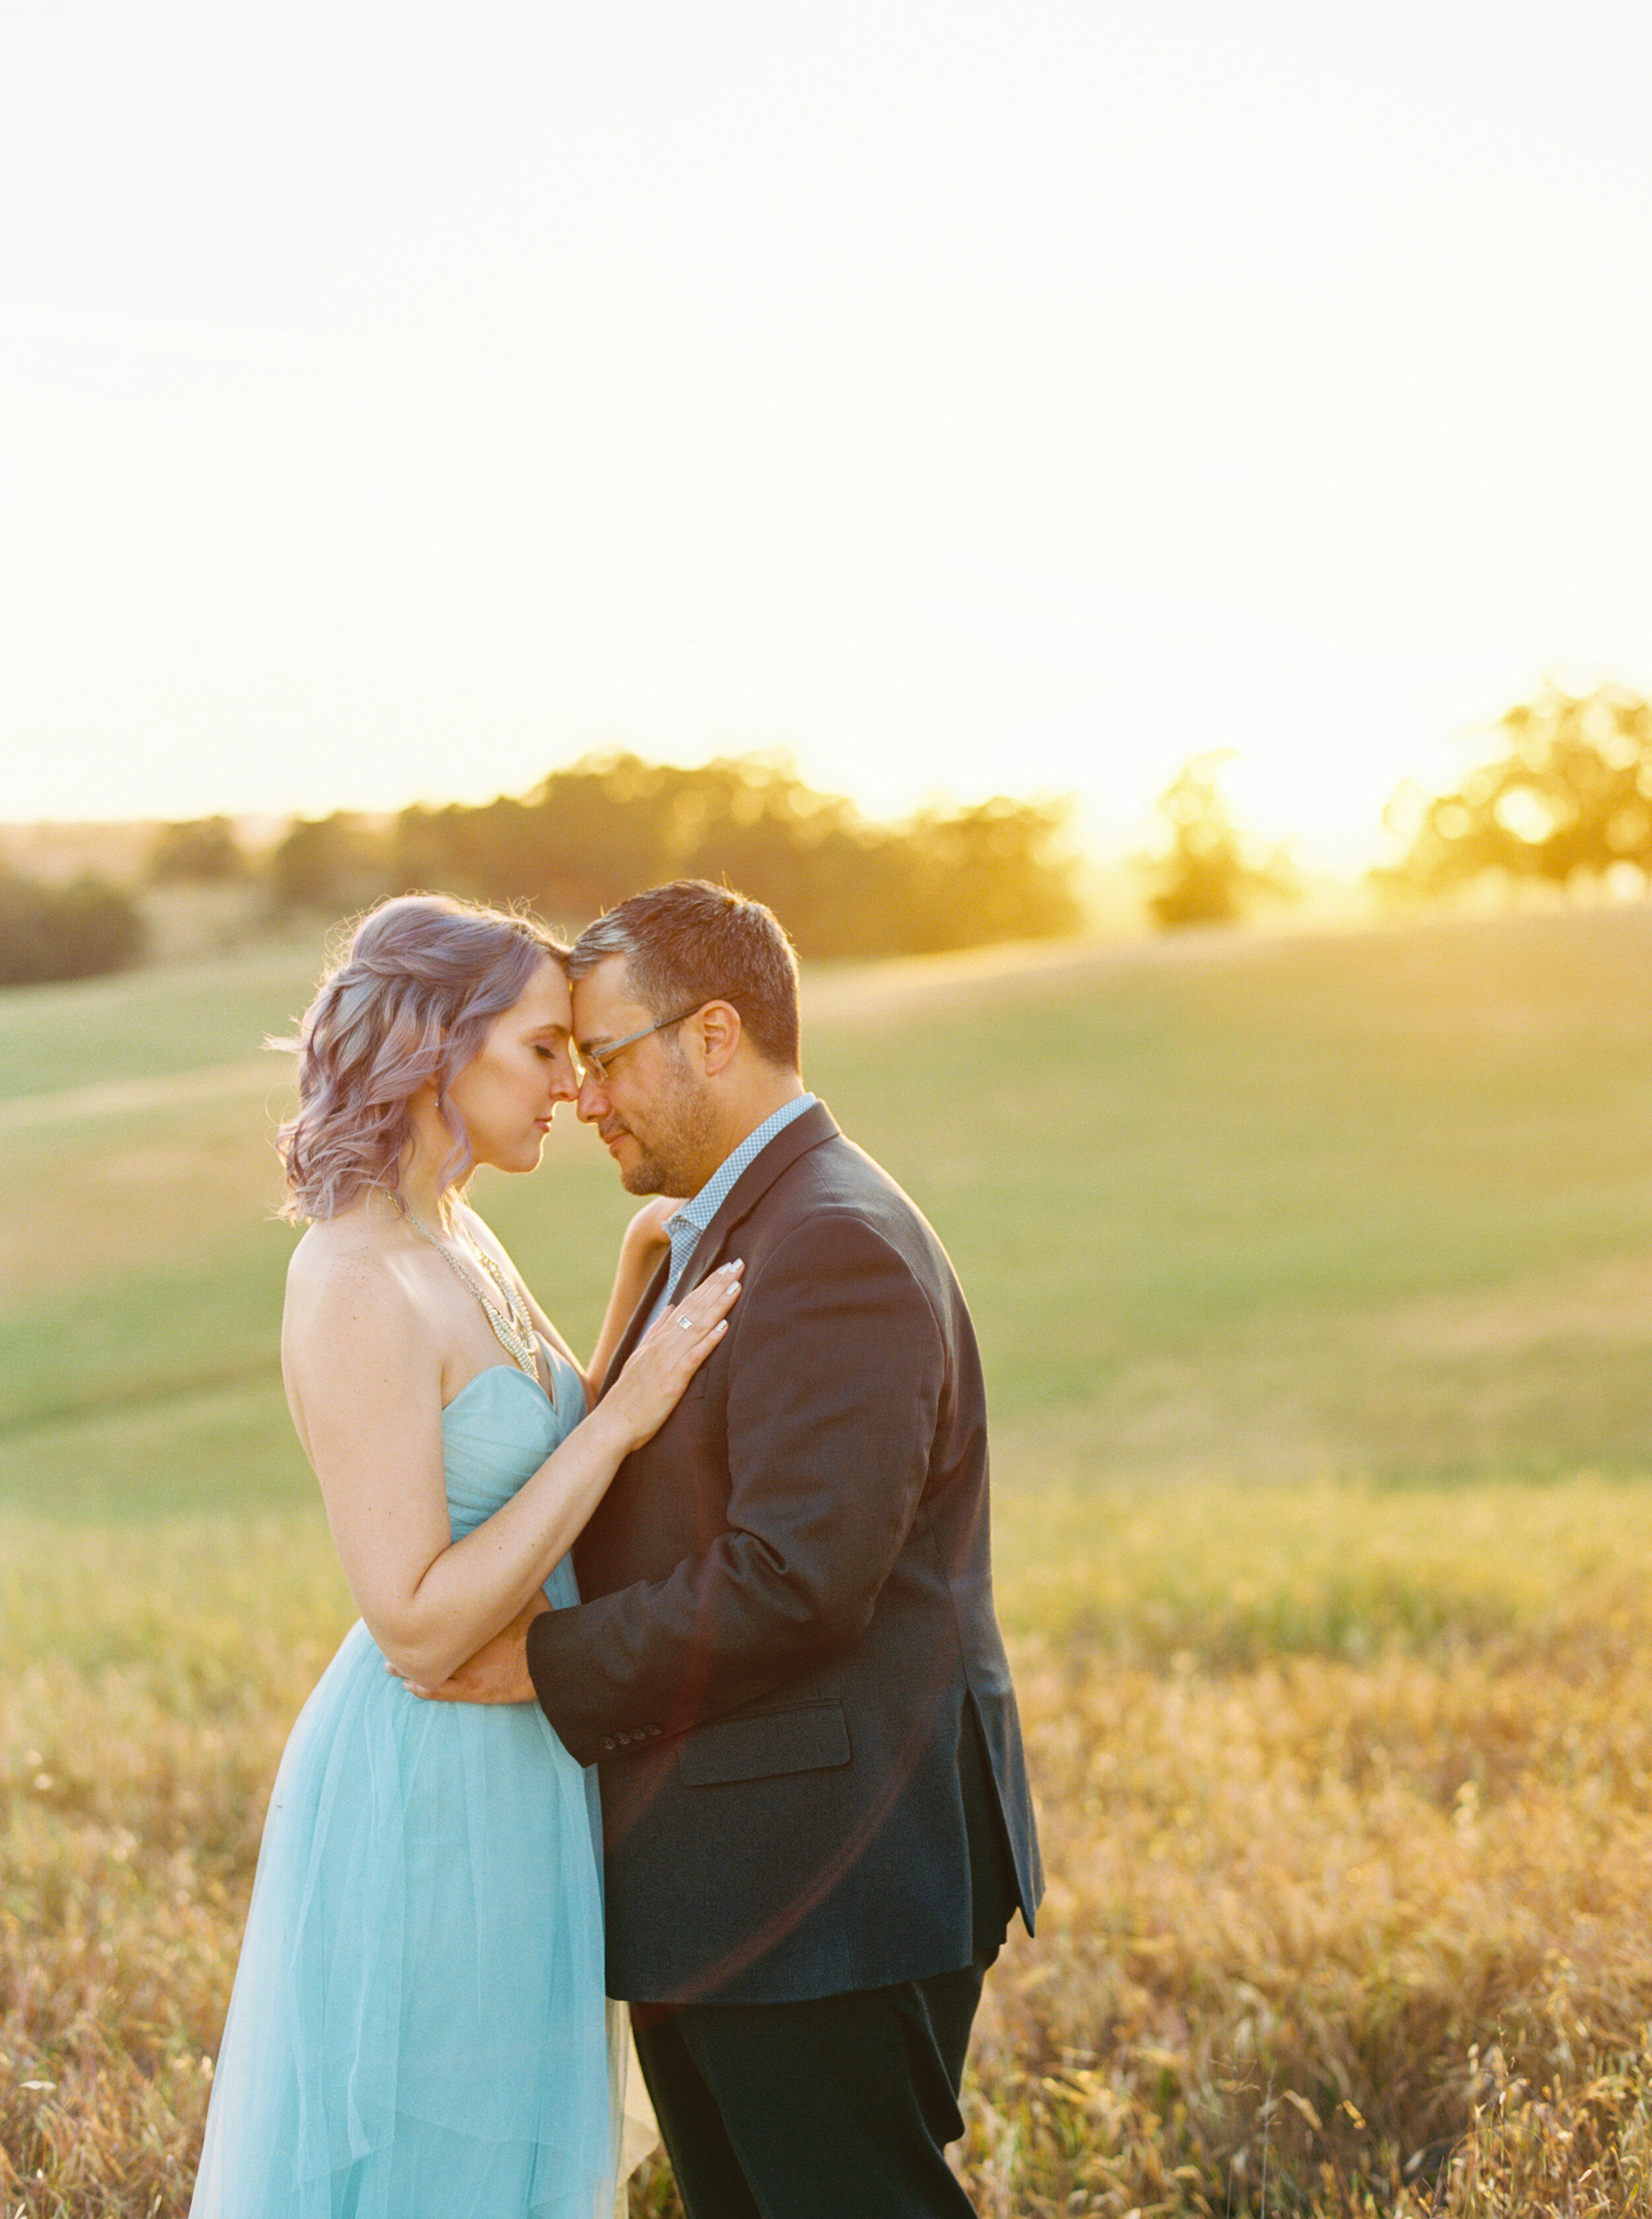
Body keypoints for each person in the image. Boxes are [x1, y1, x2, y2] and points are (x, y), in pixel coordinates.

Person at [412, 879, 1043, 2219]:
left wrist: (535, 1663)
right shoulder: (748, 1225)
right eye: (568, 1062)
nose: (586, 1097)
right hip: (735, 1874)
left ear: (711, 1035)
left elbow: (794, 1577)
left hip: (823, 1875)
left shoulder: (828, 1241)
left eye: (606, 1054)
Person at [190, 894, 741, 2219]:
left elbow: (543, 1475)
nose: (574, 1082)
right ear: (440, 1042)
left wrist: (628, 1294)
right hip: (425, 1784)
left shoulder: (458, 1229)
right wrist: (617, 1416)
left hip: (527, 1763)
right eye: (544, 1048)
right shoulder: (352, 1280)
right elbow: (420, 1625)